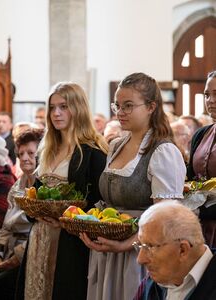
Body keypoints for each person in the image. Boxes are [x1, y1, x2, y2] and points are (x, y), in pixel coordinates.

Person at [80, 72, 186, 300]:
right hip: (107, 252)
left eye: (128, 106)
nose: (120, 112)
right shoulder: (117, 145)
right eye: (117, 105)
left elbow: (165, 218)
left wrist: (124, 245)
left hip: (140, 255)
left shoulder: (163, 152)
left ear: (151, 107)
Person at [16, 82, 108, 300]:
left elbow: (99, 203)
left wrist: (67, 222)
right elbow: (36, 194)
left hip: (71, 242)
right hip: (41, 236)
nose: (56, 113)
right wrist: (34, 211)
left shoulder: (93, 152)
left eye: (64, 106)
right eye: (52, 107)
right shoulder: (47, 149)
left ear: (78, 108)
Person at [0, 129, 43, 300]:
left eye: (30, 153)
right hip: (8, 251)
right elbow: (6, 228)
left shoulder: (44, 186)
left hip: (29, 255)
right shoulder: (17, 186)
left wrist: (15, 258)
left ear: (41, 154)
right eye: (21, 153)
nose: (24, 158)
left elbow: (40, 230)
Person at [134, 200, 216, 300]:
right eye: (141, 246)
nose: (140, 259)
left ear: (182, 250)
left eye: (150, 247)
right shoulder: (151, 283)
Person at [187, 70, 216, 247]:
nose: (210, 101)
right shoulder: (200, 135)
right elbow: (190, 180)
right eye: (207, 95)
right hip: (199, 226)